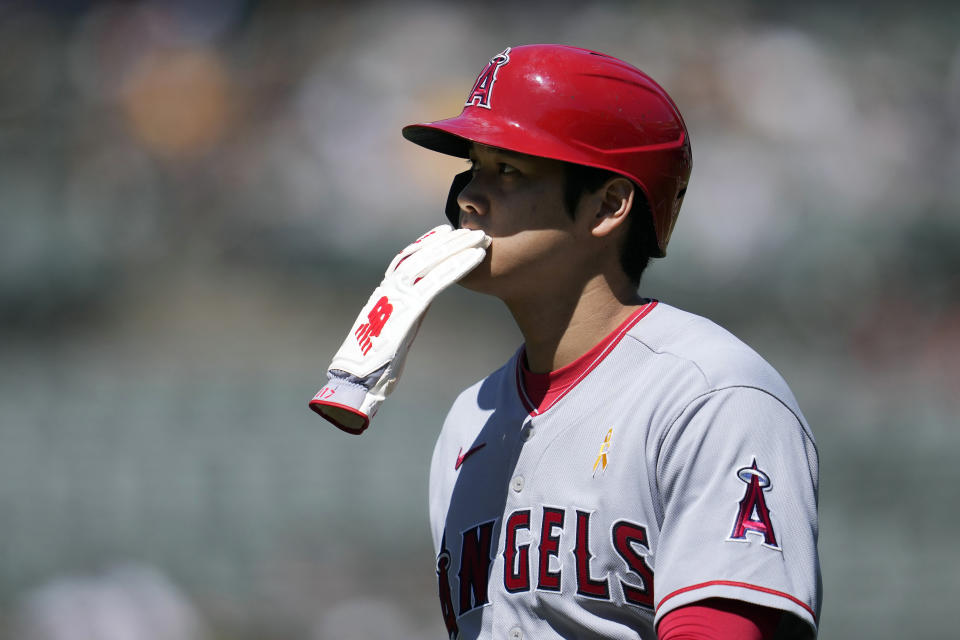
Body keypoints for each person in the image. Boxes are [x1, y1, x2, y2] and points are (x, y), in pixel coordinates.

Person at [311, 44, 820, 640]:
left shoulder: (711, 394)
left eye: (509, 171)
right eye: (473, 167)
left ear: (607, 206)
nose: (469, 198)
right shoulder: (468, 420)